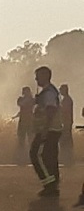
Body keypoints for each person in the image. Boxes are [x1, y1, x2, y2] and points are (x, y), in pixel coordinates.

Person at [30, 66, 63, 196]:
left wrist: (44, 129)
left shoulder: (49, 93)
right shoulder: (48, 91)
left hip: (49, 130)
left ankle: (49, 184)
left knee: (36, 155)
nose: (36, 79)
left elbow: (50, 111)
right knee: (49, 157)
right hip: (52, 129)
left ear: (44, 76)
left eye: (38, 76)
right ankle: (52, 185)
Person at [16, 86, 36, 163]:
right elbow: (21, 104)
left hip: (30, 121)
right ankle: (21, 157)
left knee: (30, 139)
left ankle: (31, 157)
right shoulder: (21, 99)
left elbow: (36, 103)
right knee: (21, 140)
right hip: (23, 121)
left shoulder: (32, 100)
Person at [60, 84, 74, 165]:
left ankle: (67, 159)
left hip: (66, 122)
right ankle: (67, 159)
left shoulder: (67, 100)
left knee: (66, 141)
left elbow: (64, 111)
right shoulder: (66, 99)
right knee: (66, 140)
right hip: (66, 122)